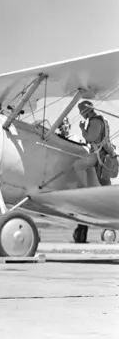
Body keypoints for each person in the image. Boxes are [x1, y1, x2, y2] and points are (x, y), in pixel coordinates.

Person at [72, 101, 115, 243]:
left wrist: (82, 130)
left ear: (86, 111)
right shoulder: (99, 120)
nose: (80, 114)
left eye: (81, 111)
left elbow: (90, 138)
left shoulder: (95, 121)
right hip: (102, 156)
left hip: (99, 157)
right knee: (105, 188)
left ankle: (84, 189)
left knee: (78, 165)